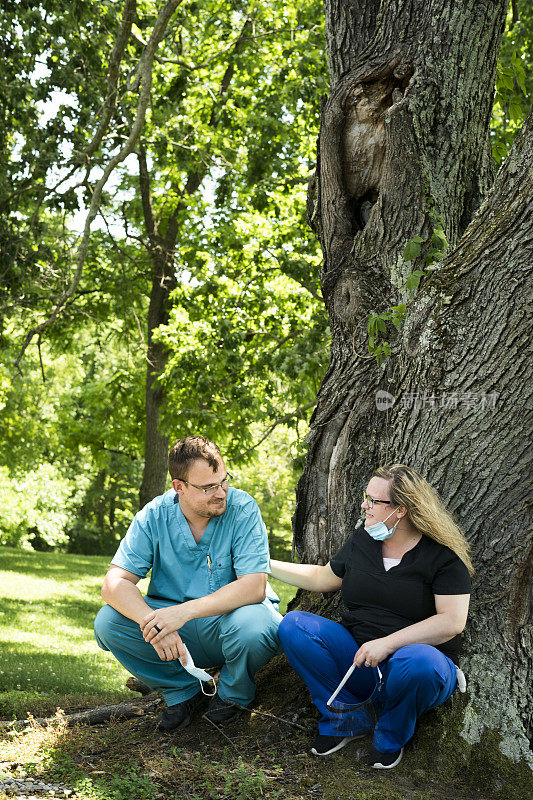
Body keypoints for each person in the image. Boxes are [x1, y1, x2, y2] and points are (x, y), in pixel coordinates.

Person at [271, 464, 473, 770]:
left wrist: (387, 644)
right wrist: (262, 564)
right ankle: (344, 720)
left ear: (401, 510)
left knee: (418, 663)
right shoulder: (363, 540)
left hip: (416, 669)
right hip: (360, 661)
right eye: (366, 497)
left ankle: (390, 736)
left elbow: (452, 622)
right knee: (294, 625)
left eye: (373, 500)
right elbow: (322, 578)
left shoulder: (442, 557)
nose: (364, 505)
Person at [94, 436, 282, 731]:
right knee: (108, 622)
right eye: (208, 487)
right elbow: (114, 583)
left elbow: (253, 586)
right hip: (176, 629)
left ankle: (233, 694)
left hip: (229, 623)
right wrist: (153, 624)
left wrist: (183, 613)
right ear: (179, 487)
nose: (221, 493)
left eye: (223, 481)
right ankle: (183, 691)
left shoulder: (243, 509)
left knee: (254, 625)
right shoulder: (154, 516)